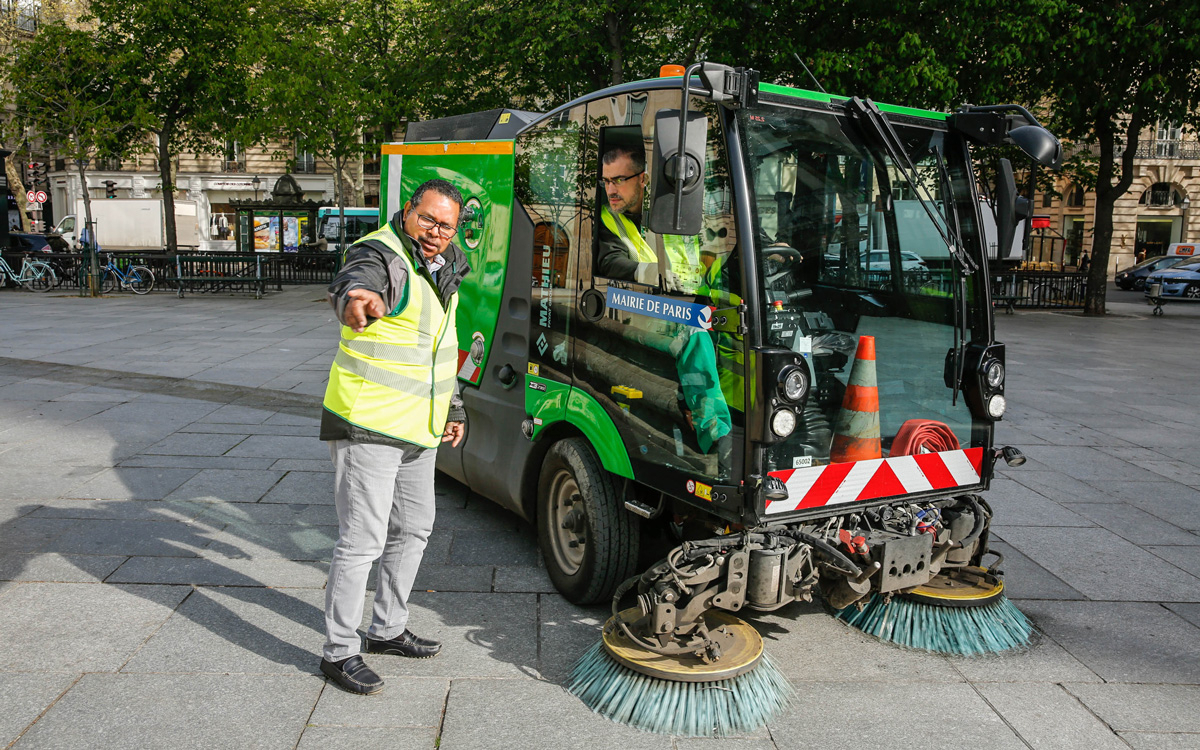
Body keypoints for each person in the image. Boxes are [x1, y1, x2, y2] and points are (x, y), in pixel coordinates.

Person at [318, 178, 471, 696]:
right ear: (407, 211)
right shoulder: (380, 255)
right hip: (368, 423)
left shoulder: (445, 267)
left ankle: (386, 628)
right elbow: (355, 283)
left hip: (419, 427)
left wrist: (453, 406)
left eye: (445, 225)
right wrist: (355, 299)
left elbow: (440, 344)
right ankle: (340, 650)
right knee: (362, 539)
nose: (434, 231)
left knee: (415, 529)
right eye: (426, 218)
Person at [596, 145, 703, 293]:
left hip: (692, 302)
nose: (610, 191)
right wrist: (648, 272)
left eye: (619, 180)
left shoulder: (672, 210)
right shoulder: (606, 217)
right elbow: (610, 261)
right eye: (606, 181)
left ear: (643, 179)